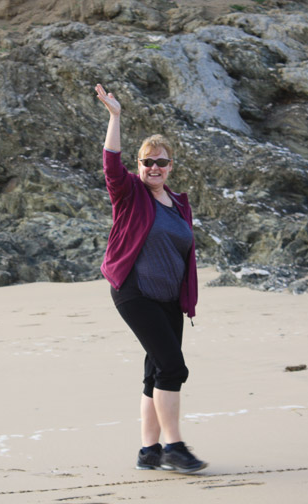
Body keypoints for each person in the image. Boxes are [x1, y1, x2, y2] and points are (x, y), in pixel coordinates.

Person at [95, 83, 207, 474]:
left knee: (156, 372)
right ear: (139, 166)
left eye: (161, 162)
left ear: (170, 166)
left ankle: (149, 451)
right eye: (147, 162)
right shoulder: (130, 193)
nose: (154, 168)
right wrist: (115, 117)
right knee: (173, 368)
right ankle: (174, 446)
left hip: (169, 299)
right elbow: (111, 164)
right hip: (135, 292)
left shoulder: (179, 204)